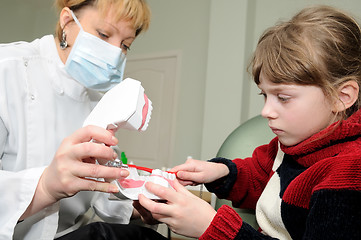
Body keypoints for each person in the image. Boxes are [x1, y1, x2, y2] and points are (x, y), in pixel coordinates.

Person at [135, 5, 361, 239]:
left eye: (283, 98)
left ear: (342, 97)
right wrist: (220, 172)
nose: (266, 111)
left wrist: (212, 227)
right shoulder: (292, 144)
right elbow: (260, 176)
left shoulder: (349, 174)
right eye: (264, 95)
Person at [0, 0, 165, 239]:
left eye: (125, 45)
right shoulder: (7, 70)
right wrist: (44, 186)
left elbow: (100, 185)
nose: (115, 53)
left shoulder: (99, 103)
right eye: (104, 34)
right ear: (67, 21)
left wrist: (140, 203)